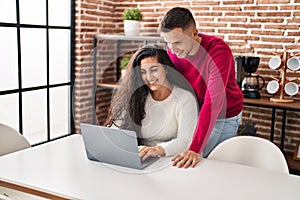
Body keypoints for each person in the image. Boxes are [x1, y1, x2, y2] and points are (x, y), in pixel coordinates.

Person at [160, 7, 244, 168]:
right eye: (168, 43)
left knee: (208, 163)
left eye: (178, 42)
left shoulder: (218, 51)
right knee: (183, 158)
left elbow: (213, 102)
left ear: (194, 33)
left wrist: (195, 148)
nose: (173, 49)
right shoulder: (173, 52)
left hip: (224, 115)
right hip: (197, 112)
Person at [104, 45, 198, 161]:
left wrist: (158, 149)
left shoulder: (185, 98)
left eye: (154, 70)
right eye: (143, 72)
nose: (149, 77)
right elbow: (117, 126)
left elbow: (185, 141)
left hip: (172, 160)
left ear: (166, 68)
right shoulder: (137, 96)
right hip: (143, 159)